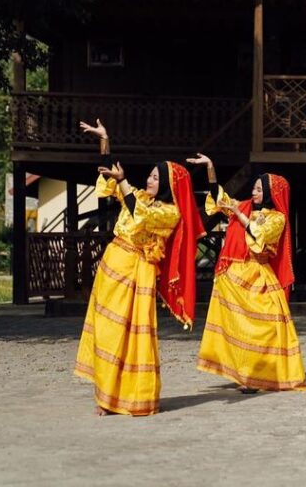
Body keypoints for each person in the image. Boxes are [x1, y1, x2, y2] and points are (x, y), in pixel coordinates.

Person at [75, 119, 203, 416]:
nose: (149, 181)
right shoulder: (141, 196)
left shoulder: (170, 213)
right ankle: (106, 397)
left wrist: (122, 181)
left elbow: (139, 213)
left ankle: (132, 396)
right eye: (149, 176)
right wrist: (105, 141)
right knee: (106, 330)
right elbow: (113, 183)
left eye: (156, 178)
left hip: (138, 270)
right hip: (113, 265)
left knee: (130, 334)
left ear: (169, 185)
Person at [188, 154, 306, 392]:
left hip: (258, 276)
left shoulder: (277, 218)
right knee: (237, 326)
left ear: (270, 194)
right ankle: (243, 372)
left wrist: (240, 215)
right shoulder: (243, 207)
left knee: (262, 326)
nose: (253, 193)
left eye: (258, 190)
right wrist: (211, 168)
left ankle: (262, 373)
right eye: (253, 189)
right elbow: (220, 200)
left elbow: (259, 237)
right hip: (234, 276)